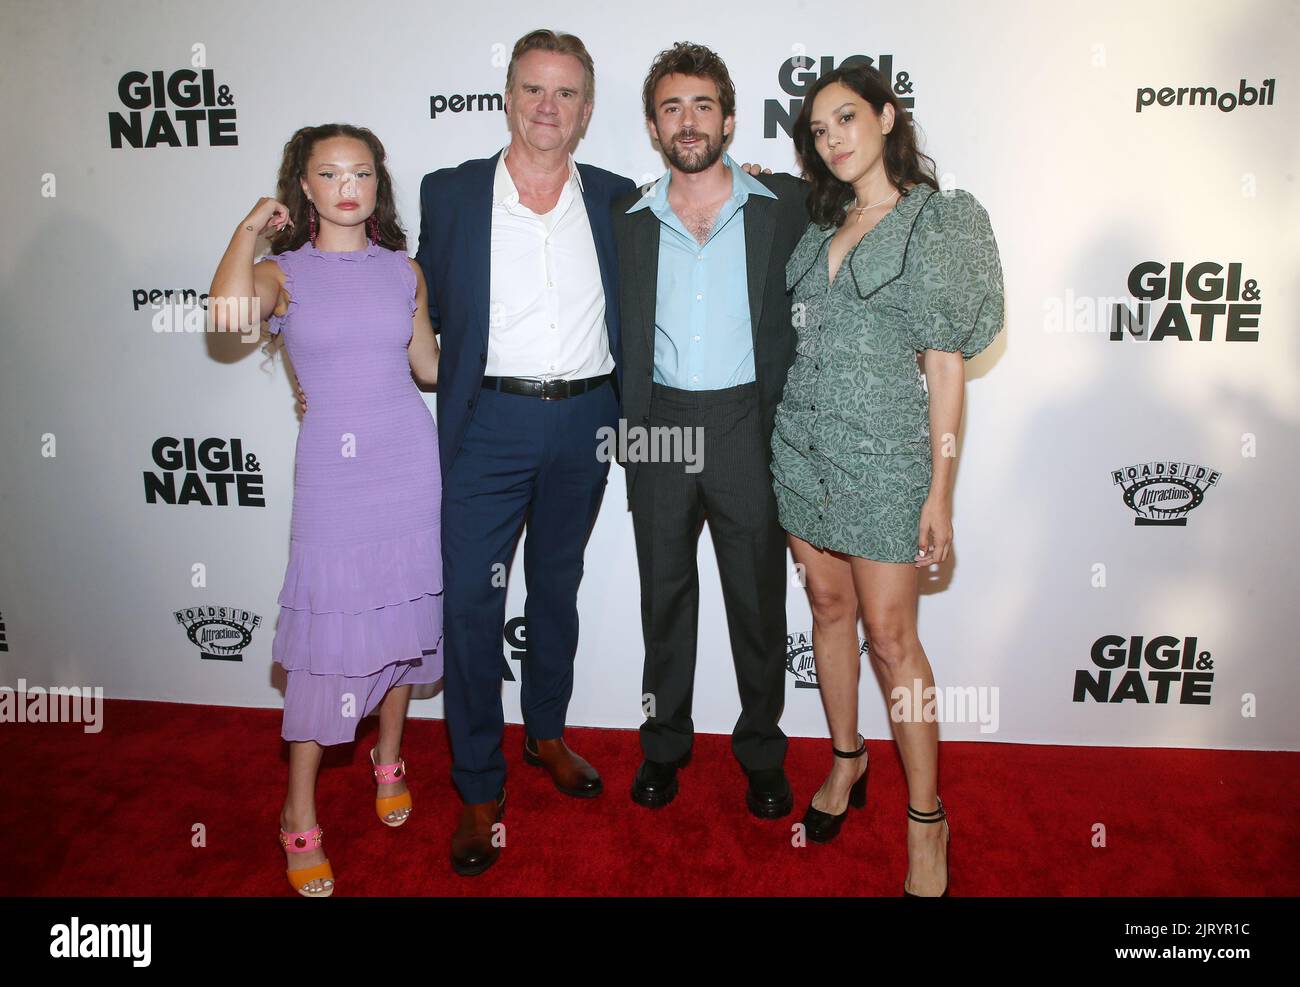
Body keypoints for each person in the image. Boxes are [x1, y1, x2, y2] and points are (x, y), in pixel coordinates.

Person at [770, 65, 1004, 895]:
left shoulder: (939, 224)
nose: (833, 138)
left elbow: (945, 370)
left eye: (847, 118)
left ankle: (927, 819)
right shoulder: (818, 220)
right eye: (819, 128)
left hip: (885, 459)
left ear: (887, 115)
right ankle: (846, 758)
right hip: (800, 447)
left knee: (894, 639)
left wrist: (940, 490)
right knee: (827, 608)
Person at [414, 29, 633, 877]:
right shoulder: (452, 193)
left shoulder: (616, 199)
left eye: (567, 93)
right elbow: (408, 290)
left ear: (585, 110)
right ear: (508, 96)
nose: (549, 107)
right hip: (487, 425)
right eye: (535, 89)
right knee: (469, 601)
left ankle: (546, 732)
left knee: (559, 587)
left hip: (587, 422)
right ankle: (477, 783)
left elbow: (703, 218)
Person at [209, 124, 443, 897]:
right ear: (303, 188)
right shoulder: (282, 273)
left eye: (363, 172)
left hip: (409, 462)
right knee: (323, 648)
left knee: (404, 622)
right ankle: (296, 811)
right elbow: (227, 319)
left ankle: (388, 758)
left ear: (378, 184)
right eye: (329, 173)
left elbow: (428, 367)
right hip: (335, 485)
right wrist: (247, 230)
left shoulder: (403, 271)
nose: (349, 186)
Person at [611, 43, 808, 817]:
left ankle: (761, 751)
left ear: (728, 119)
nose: (687, 121)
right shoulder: (624, 218)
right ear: (653, 126)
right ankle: (663, 745)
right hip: (655, 423)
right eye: (671, 108)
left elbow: (864, 194)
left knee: (758, 604)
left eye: (701, 106)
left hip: (744, 422)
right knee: (663, 599)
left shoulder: (782, 204)